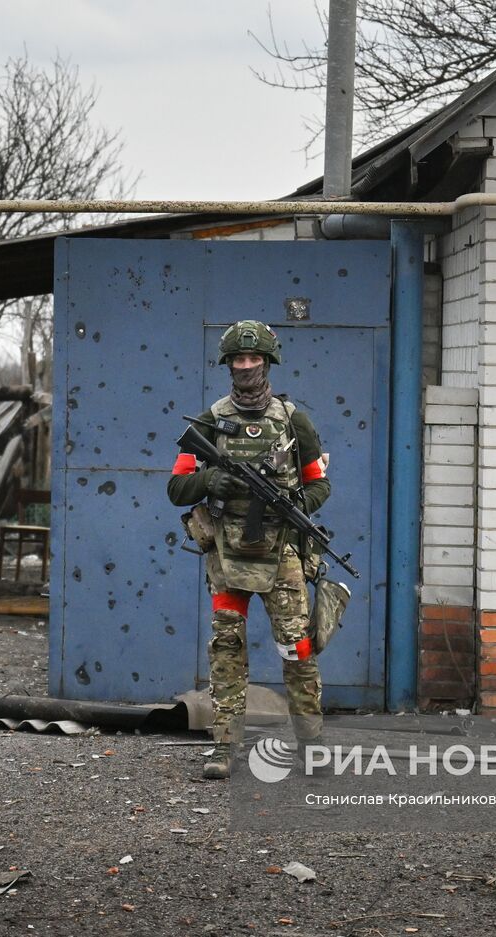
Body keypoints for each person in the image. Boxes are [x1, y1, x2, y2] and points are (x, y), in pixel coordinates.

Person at [167, 320, 332, 779]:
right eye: (238, 360)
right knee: (226, 647)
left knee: (297, 648)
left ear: (267, 362)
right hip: (228, 555)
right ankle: (224, 746)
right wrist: (209, 479)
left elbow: (320, 484)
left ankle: (312, 744)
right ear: (228, 365)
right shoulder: (210, 420)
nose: (245, 367)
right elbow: (177, 487)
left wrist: (294, 503)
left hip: (281, 556)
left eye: (253, 359)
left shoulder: (293, 420)